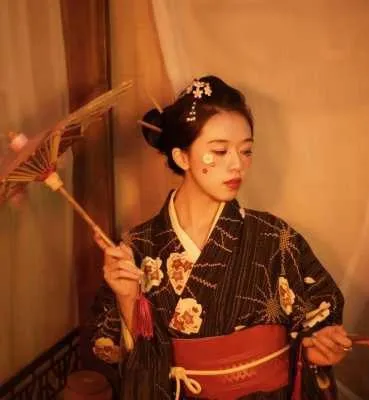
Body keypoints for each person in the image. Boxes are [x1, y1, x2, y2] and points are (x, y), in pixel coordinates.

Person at [88, 76, 351, 400]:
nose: (237, 164)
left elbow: (317, 323)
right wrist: (128, 300)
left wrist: (318, 349)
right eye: (220, 150)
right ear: (182, 157)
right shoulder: (136, 248)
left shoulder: (275, 238)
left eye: (246, 150)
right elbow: (110, 348)